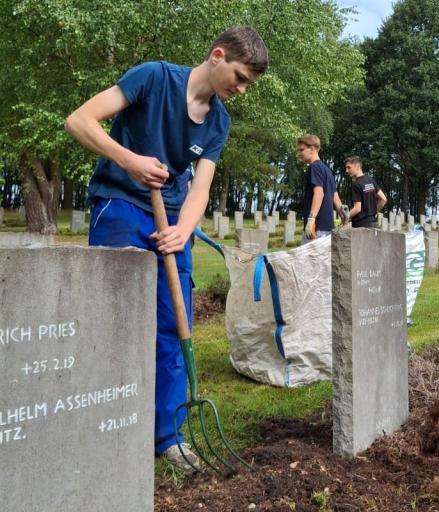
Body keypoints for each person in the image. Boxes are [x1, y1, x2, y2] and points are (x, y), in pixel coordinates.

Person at [64, 26, 268, 470]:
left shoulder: (219, 121)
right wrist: (129, 160)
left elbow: (201, 188)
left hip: (172, 220)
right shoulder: (154, 77)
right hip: (119, 205)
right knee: (114, 321)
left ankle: (168, 437)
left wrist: (184, 230)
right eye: (240, 77)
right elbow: (79, 120)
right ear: (217, 56)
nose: (242, 89)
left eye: (248, 83)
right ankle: (106, 420)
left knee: (174, 326)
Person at [295, 134, 344, 243]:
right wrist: (343, 215)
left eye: (301, 150)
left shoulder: (314, 167)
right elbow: (334, 196)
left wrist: (311, 220)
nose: (299, 154)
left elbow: (319, 193)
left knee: (309, 260)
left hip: (316, 229)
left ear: (312, 149)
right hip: (327, 228)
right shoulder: (327, 170)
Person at [343, 155, 387, 228]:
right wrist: (374, 213)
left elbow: (357, 208)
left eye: (349, 167)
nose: (346, 171)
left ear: (357, 166)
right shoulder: (371, 180)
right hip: (371, 224)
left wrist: (345, 217)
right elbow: (383, 199)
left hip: (360, 226)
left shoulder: (356, 185)